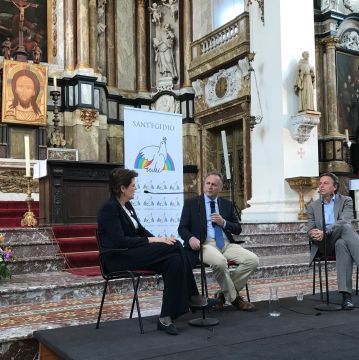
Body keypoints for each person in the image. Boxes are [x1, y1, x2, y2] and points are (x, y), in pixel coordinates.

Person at [97, 168, 208, 335]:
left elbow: (140, 231)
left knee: (174, 261)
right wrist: (155, 241)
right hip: (117, 257)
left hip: (133, 252)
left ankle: (166, 318)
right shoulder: (109, 208)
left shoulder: (127, 205)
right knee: (176, 245)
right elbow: (119, 241)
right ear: (122, 188)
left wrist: (160, 240)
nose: (136, 188)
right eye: (133, 185)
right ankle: (192, 296)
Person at [178, 171, 259, 311]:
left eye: (214, 184)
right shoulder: (192, 203)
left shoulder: (226, 204)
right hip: (205, 245)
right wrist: (190, 238)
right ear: (203, 185)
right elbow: (182, 228)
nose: (210, 187)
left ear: (220, 188)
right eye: (207, 183)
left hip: (226, 244)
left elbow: (238, 229)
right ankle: (235, 299)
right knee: (220, 262)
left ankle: (223, 294)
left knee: (253, 260)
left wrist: (224, 223)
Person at [308, 172, 359, 310]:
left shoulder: (346, 200)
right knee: (346, 228)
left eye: (325, 183)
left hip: (339, 238)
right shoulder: (313, 206)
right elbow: (310, 227)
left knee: (341, 242)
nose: (321, 186)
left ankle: (346, 296)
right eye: (320, 183)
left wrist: (327, 230)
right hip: (324, 243)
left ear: (334, 187)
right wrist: (314, 233)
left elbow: (345, 219)